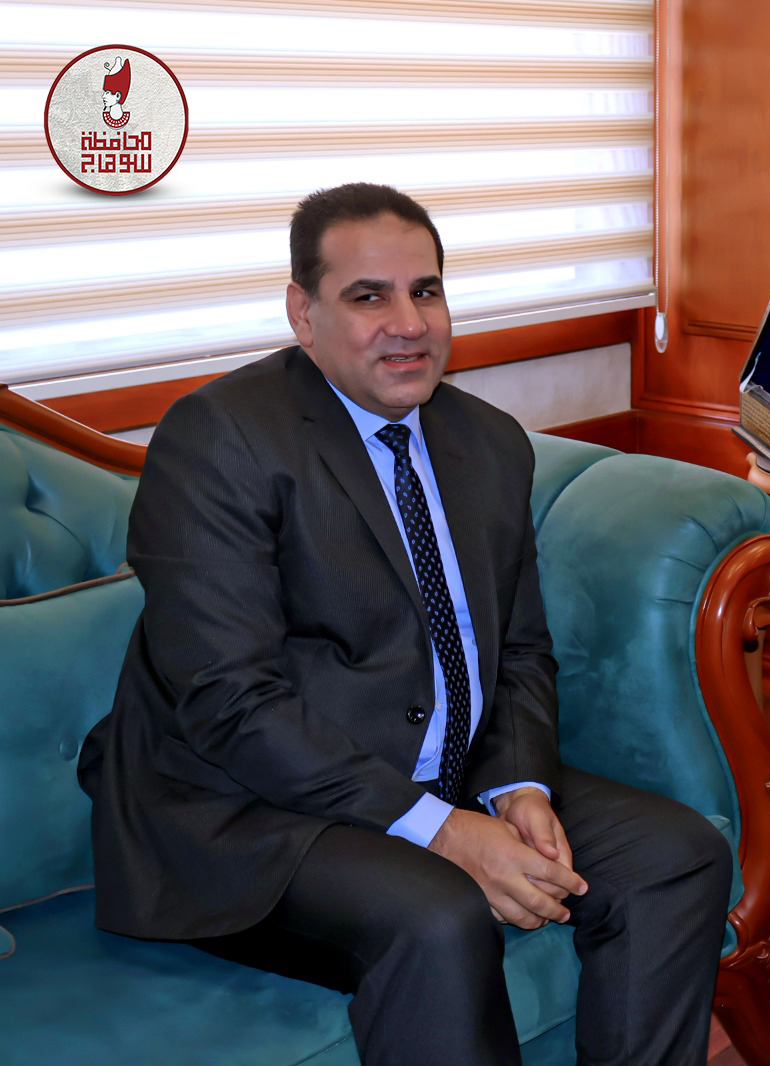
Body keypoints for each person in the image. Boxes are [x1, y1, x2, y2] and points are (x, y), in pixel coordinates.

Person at [77, 182, 731, 1066]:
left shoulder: (487, 442)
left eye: (426, 291)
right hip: (249, 811)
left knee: (675, 855)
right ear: (303, 314)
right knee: (439, 914)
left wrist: (519, 788)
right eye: (368, 297)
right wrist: (444, 830)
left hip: (441, 769)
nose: (409, 324)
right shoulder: (220, 441)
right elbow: (230, 703)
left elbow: (518, 652)